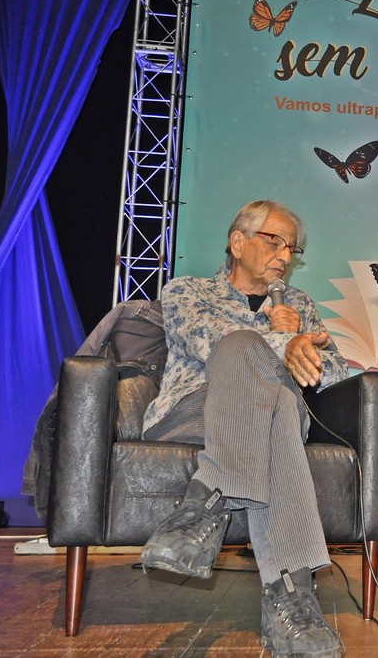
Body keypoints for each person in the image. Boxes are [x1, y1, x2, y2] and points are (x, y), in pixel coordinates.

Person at [139, 200, 348, 658]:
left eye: (292, 248)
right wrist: (281, 340)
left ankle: (204, 506)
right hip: (194, 410)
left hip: (274, 416)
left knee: (279, 405)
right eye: (275, 242)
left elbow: (335, 371)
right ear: (238, 242)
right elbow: (208, 341)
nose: (285, 255)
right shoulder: (186, 290)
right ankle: (292, 597)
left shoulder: (298, 305)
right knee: (242, 349)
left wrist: (298, 339)